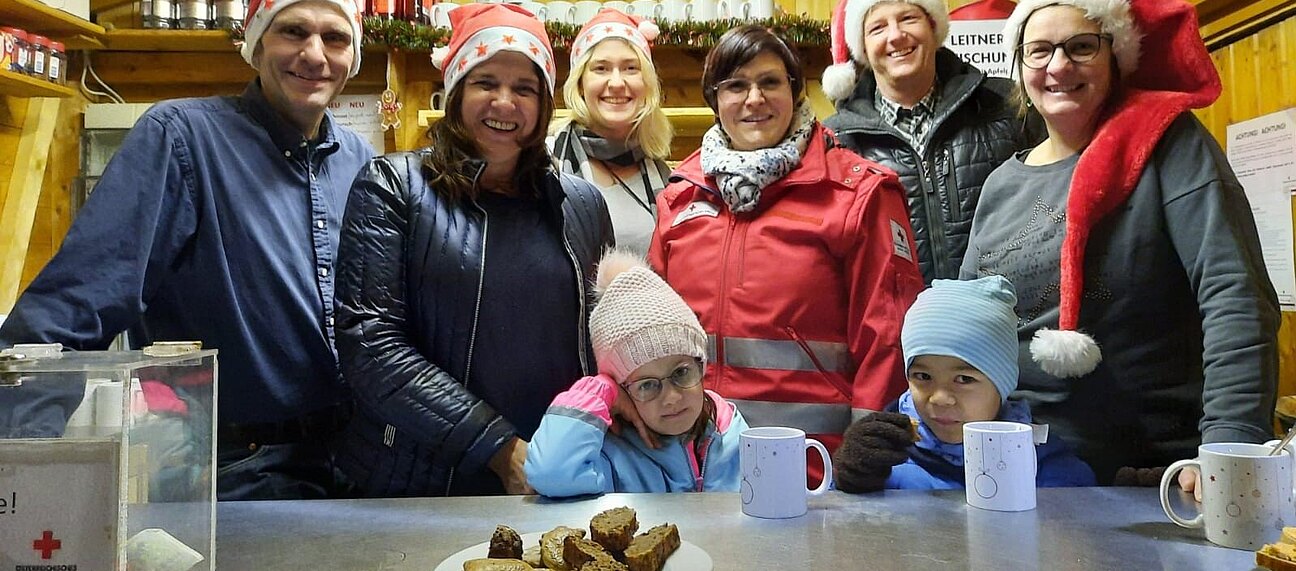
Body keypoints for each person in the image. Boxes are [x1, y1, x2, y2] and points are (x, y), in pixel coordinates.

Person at [0, 0, 375, 500]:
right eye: (293, 31)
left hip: (354, 461)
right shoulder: (180, 138)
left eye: (335, 38)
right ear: (256, 41)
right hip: (232, 471)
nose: (314, 54)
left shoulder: (362, 164)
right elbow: (75, 305)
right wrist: (22, 471)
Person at [961, 0, 1280, 488]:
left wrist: (1229, 444)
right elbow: (967, 330)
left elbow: (1233, 295)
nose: (1059, 65)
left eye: (1082, 47)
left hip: (1152, 474)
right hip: (1022, 467)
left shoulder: (1170, 147)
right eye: (1039, 50)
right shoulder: (1000, 184)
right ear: (1019, 68)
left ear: (1116, 58)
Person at [331, 3, 615, 498]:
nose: (505, 103)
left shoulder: (583, 203)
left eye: (524, 88)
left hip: (552, 471)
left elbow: (605, 336)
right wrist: (501, 449)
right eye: (486, 83)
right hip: (421, 480)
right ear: (457, 90)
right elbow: (371, 346)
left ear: (544, 104)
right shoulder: (393, 187)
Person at [649, 25, 925, 485]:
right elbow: (651, 336)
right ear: (714, 100)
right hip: (692, 469)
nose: (754, 98)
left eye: (770, 82)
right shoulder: (680, 197)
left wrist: (867, 451)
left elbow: (887, 337)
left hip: (815, 468)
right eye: (736, 85)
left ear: (797, 93)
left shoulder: (857, 193)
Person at [822, 0, 1039, 284]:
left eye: (908, 18)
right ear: (863, 46)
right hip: (896, 325)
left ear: (933, 26)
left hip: (1004, 317)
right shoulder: (836, 141)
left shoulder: (1005, 105)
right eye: (877, 27)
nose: (896, 35)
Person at [834, 276, 1095, 492]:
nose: (939, 398)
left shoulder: (1042, 465)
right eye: (923, 377)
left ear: (1002, 384)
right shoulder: (884, 453)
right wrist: (851, 477)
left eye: (964, 379)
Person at [525, 250, 747, 496]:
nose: (672, 397)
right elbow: (550, 473)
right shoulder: (611, 453)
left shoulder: (729, 430)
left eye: (682, 372)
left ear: (701, 365)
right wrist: (603, 389)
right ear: (623, 391)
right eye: (647, 385)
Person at [549, 8, 673, 256]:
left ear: (646, 83)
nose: (616, 83)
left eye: (630, 68)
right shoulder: (546, 162)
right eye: (601, 68)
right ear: (581, 84)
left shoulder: (664, 175)